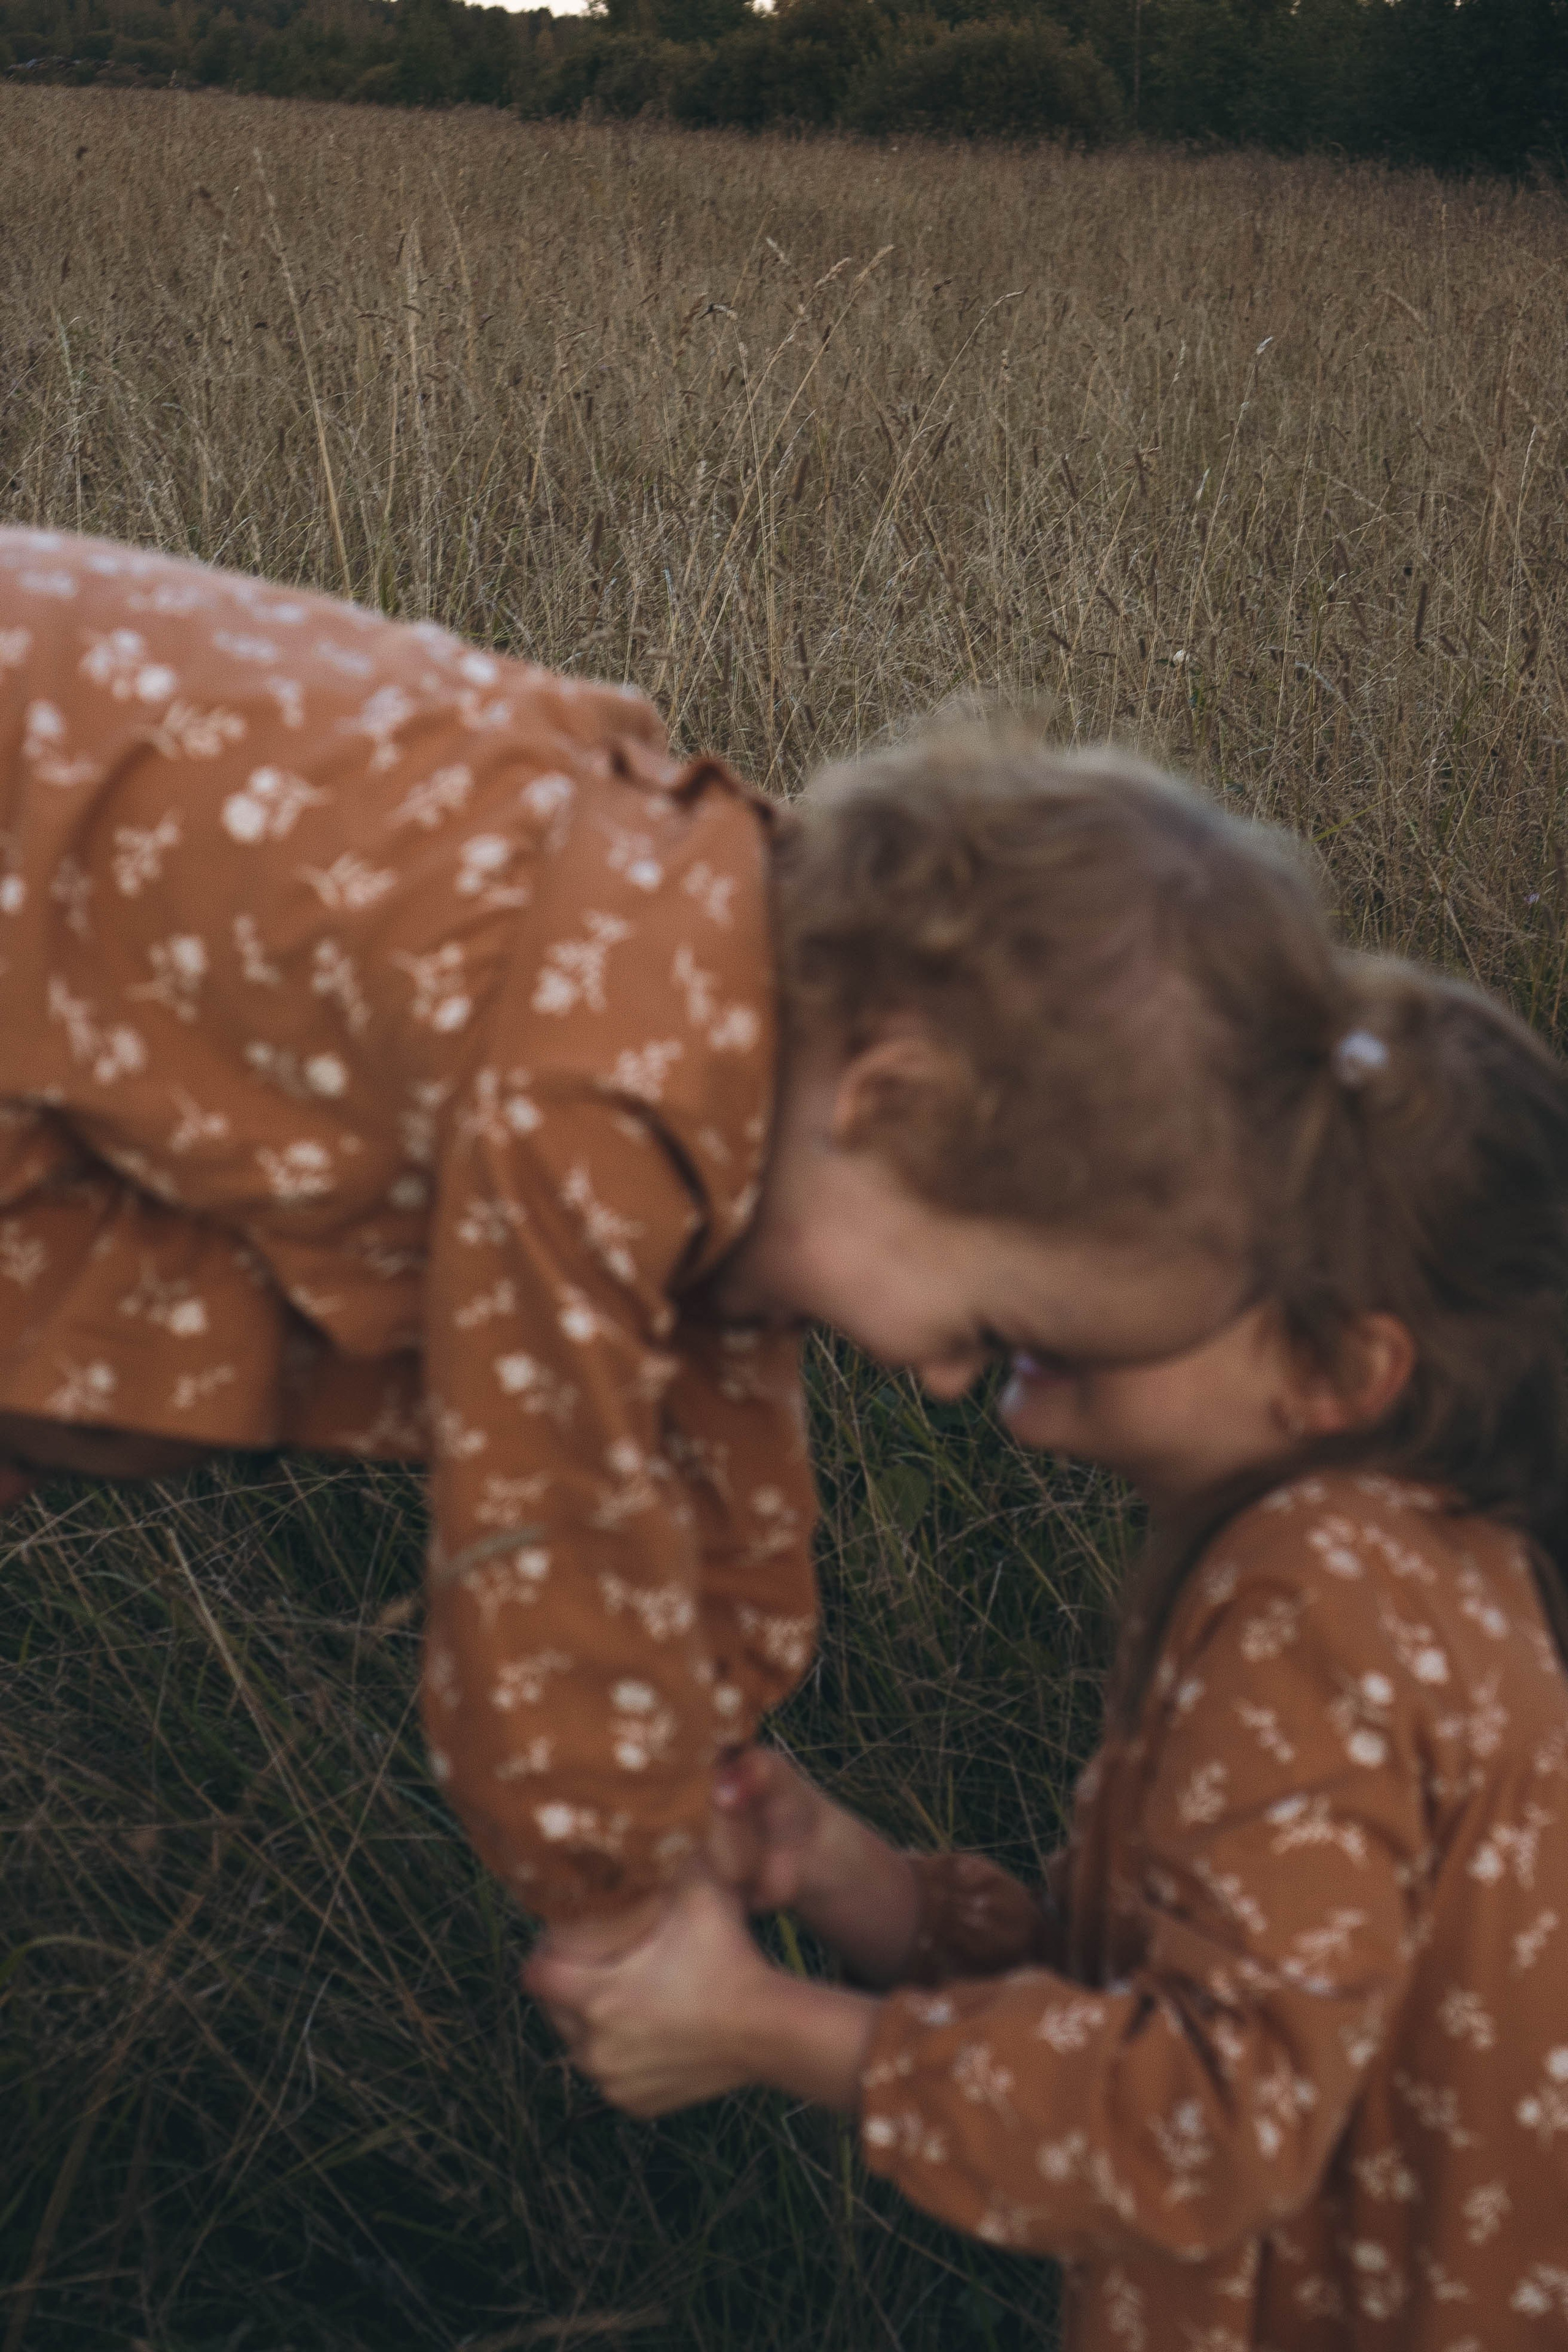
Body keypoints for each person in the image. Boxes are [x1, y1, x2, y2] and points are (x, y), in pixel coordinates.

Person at [1, 526, 1309, 1958]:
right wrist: (615, 1892)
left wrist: (715, 1744)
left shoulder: (732, 1030)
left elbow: (709, 1441)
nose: (945, 1386)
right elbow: (543, 1506)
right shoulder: (608, 1078)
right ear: (891, 1102)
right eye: (984, 1330)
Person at [530, 944, 1568, 2342]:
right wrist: (852, 1878)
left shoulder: (1320, 1592)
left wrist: (756, 2026)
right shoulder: (1403, 1562)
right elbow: (1145, 2005)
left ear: (1334, 1374)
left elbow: (1206, 2123)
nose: (1056, 1253)